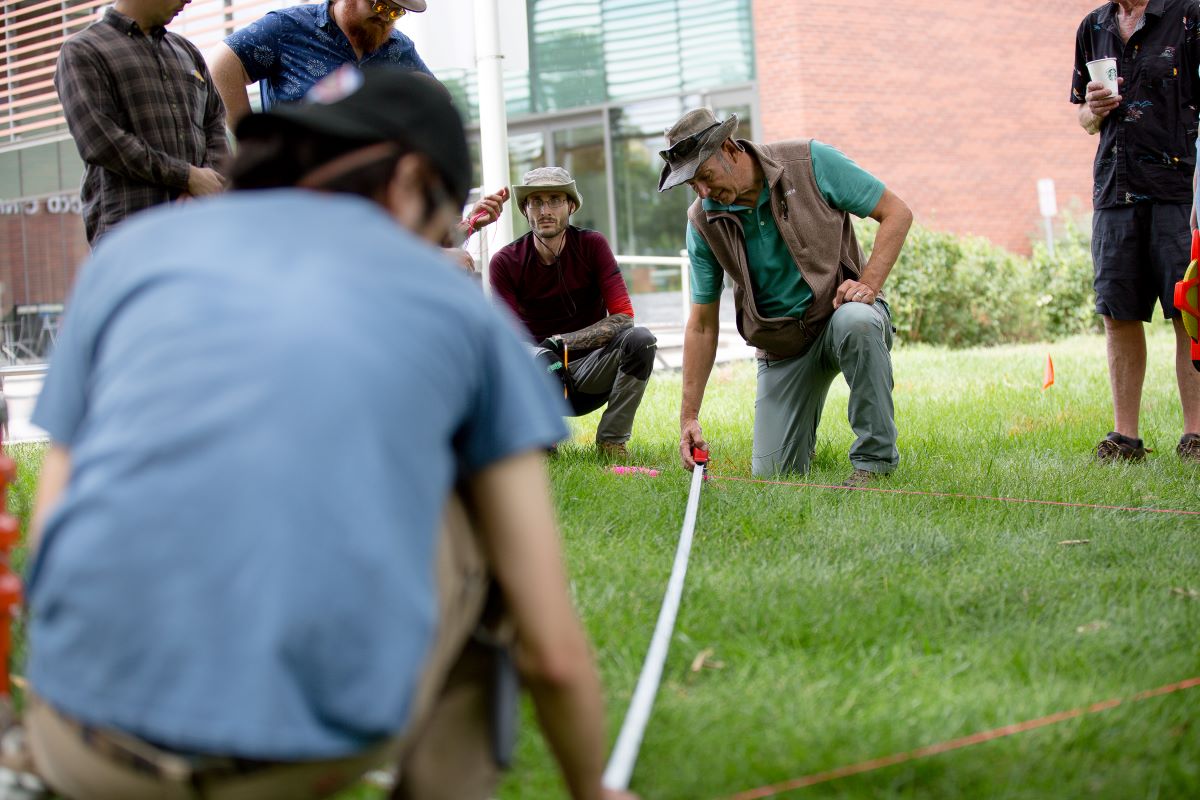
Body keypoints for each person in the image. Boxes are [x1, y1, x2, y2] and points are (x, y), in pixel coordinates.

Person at [24, 66, 635, 800]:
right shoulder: (454, 311)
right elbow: (553, 654)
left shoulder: (127, 258)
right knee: (488, 527)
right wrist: (593, 791)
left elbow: (49, 534)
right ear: (412, 184)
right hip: (290, 760)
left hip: (75, 737)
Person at [659, 109, 912, 484]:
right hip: (782, 348)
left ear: (728, 149)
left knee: (858, 321)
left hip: (839, 317)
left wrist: (869, 283)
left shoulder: (810, 162)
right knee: (773, 477)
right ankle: (798, 434)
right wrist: (689, 416)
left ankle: (874, 463)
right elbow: (701, 326)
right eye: (693, 185)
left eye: (705, 177)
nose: (704, 192)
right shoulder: (701, 223)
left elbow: (896, 213)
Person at [1073, 0, 1200, 463]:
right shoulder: (1094, 26)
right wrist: (1093, 109)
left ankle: (1196, 436)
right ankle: (1125, 438)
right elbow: (1085, 121)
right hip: (1114, 192)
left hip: (1181, 194)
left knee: (1190, 313)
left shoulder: (1190, 15)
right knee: (1118, 312)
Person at [489, 167, 658, 458]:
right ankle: (541, 439)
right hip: (538, 378)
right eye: (536, 202)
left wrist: (559, 343)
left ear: (571, 206)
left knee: (641, 340)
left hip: (592, 370)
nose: (545, 210)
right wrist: (541, 355)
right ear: (525, 210)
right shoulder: (505, 262)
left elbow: (624, 317)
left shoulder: (592, 245)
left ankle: (611, 443)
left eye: (555, 199)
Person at [54, 0, 227, 246]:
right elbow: (101, 142)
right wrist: (187, 176)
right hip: (130, 237)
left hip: (198, 229)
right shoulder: (83, 51)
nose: (189, 0)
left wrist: (206, 182)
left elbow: (215, 122)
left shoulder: (187, 51)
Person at [210, 0, 431, 129]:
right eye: (379, 5)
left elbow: (437, 99)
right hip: (298, 192)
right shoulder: (286, 28)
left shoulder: (400, 47)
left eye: (395, 12)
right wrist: (251, 141)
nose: (385, 18)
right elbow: (221, 64)